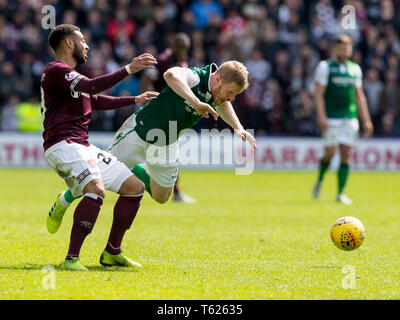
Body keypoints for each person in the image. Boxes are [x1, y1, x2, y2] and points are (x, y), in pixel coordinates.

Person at [50, 60, 257, 218]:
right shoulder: (195, 77)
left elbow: (222, 104)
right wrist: (194, 101)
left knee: (162, 197)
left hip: (166, 143)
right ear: (218, 79)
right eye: (230, 92)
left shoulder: (216, 92)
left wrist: (238, 128)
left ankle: (130, 168)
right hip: (139, 133)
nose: (231, 98)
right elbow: (170, 74)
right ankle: (63, 201)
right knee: (96, 177)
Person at [42, 24, 158, 271]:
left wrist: (134, 99)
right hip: (62, 144)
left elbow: (94, 99)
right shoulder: (55, 71)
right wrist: (129, 69)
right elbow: (93, 87)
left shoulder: (74, 80)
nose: (87, 45)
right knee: (96, 189)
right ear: (69, 43)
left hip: (83, 145)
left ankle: (112, 252)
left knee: (134, 187)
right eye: (82, 40)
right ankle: (71, 259)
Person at [312, 34, 373, 205]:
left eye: (347, 47)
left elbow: (359, 96)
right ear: (334, 48)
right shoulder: (325, 67)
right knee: (330, 153)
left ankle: (340, 193)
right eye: (341, 47)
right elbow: (318, 93)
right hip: (331, 117)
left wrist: (366, 120)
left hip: (349, 117)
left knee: (346, 154)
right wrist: (321, 116)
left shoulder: (355, 69)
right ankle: (321, 178)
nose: (345, 50)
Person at [141, 32, 197, 203]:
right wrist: (145, 102)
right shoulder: (162, 60)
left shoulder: (181, 58)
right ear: (173, 47)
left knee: (168, 152)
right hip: (159, 111)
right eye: (179, 49)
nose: (182, 52)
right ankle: (172, 191)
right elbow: (146, 79)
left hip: (172, 112)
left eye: (184, 49)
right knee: (165, 152)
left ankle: (174, 191)